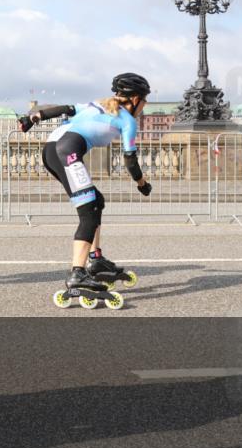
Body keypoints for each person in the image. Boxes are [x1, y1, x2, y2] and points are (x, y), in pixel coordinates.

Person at [18, 73, 152, 310]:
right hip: (66, 151)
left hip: (52, 148)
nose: (144, 107)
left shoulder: (96, 104)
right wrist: (142, 184)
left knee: (95, 200)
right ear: (134, 99)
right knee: (89, 210)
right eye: (144, 101)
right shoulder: (128, 121)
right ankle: (77, 273)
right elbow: (130, 160)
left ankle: (96, 259)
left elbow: (66, 109)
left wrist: (34, 118)